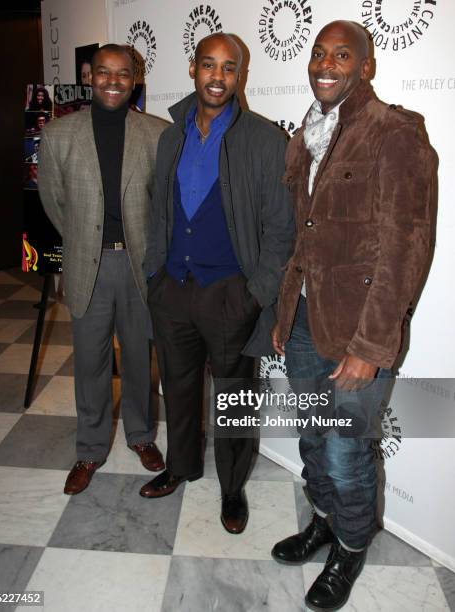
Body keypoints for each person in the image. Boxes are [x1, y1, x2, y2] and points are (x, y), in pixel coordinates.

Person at [271, 20, 437, 611]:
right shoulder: (309, 135)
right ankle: (322, 520)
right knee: (314, 440)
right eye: (318, 53)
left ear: (364, 66)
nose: (326, 63)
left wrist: (370, 346)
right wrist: (284, 313)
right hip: (304, 325)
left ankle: (349, 544)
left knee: (346, 449)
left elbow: (406, 247)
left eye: (342, 55)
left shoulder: (395, 132)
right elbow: (303, 238)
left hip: (357, 333)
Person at [140, 33, 294, 534]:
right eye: (210, 65)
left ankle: (232, 488)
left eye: (230, 68)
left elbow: (281, 228)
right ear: (192, 69)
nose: (218, 77)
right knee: (179, 388)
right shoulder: (171, 135)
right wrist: (154, 275)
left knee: (235, 398)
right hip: (173, 290)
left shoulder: (266, 140)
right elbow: (159, 210)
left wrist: (255, 295)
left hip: (230, 294)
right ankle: (181, 465)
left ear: (240, 76)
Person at [38, 44, 167, 495]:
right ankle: (91, 449)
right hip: (86, 264)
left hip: (138, 266)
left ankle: (141, 436)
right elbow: (54, 202)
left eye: (123, 73)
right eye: (104, 72)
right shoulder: (57, 135)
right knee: (90, 363)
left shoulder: (156, 133)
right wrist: (85, 239)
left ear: (135, 78)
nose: (113, 81)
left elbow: (163, 206)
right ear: (89, 76)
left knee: (138, 356)